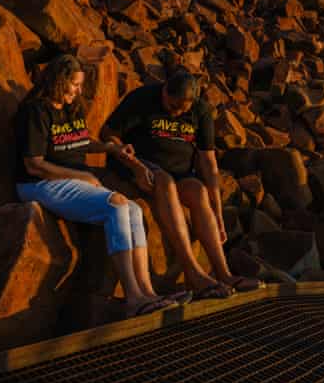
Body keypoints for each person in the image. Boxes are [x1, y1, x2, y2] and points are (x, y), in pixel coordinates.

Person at [15, 55, 186, 317]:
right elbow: (33, 165)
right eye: (74, 84)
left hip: (71, 178)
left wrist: (111, 148)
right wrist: (78, 176)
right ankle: (132, 297)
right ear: (59, 81)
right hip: (38, 184)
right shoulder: (36, 111)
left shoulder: (70, 108)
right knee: (116, 207)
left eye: (80, 85)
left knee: (134, 210)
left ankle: (148, 293)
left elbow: (80, 142)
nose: (78, 90)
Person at [101, 70, 264, 299]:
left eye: (182, 110)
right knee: (164, 182)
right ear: (164, 90)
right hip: (140, 165)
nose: (176, 112)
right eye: (172, 105)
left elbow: (208, 163)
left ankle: (223, 273)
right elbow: (108, 134)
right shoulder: (142, 99)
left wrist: (218, 215)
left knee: (198, 191)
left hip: (180, 172)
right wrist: (134, 165)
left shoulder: (201, 110)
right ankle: (193, 272)